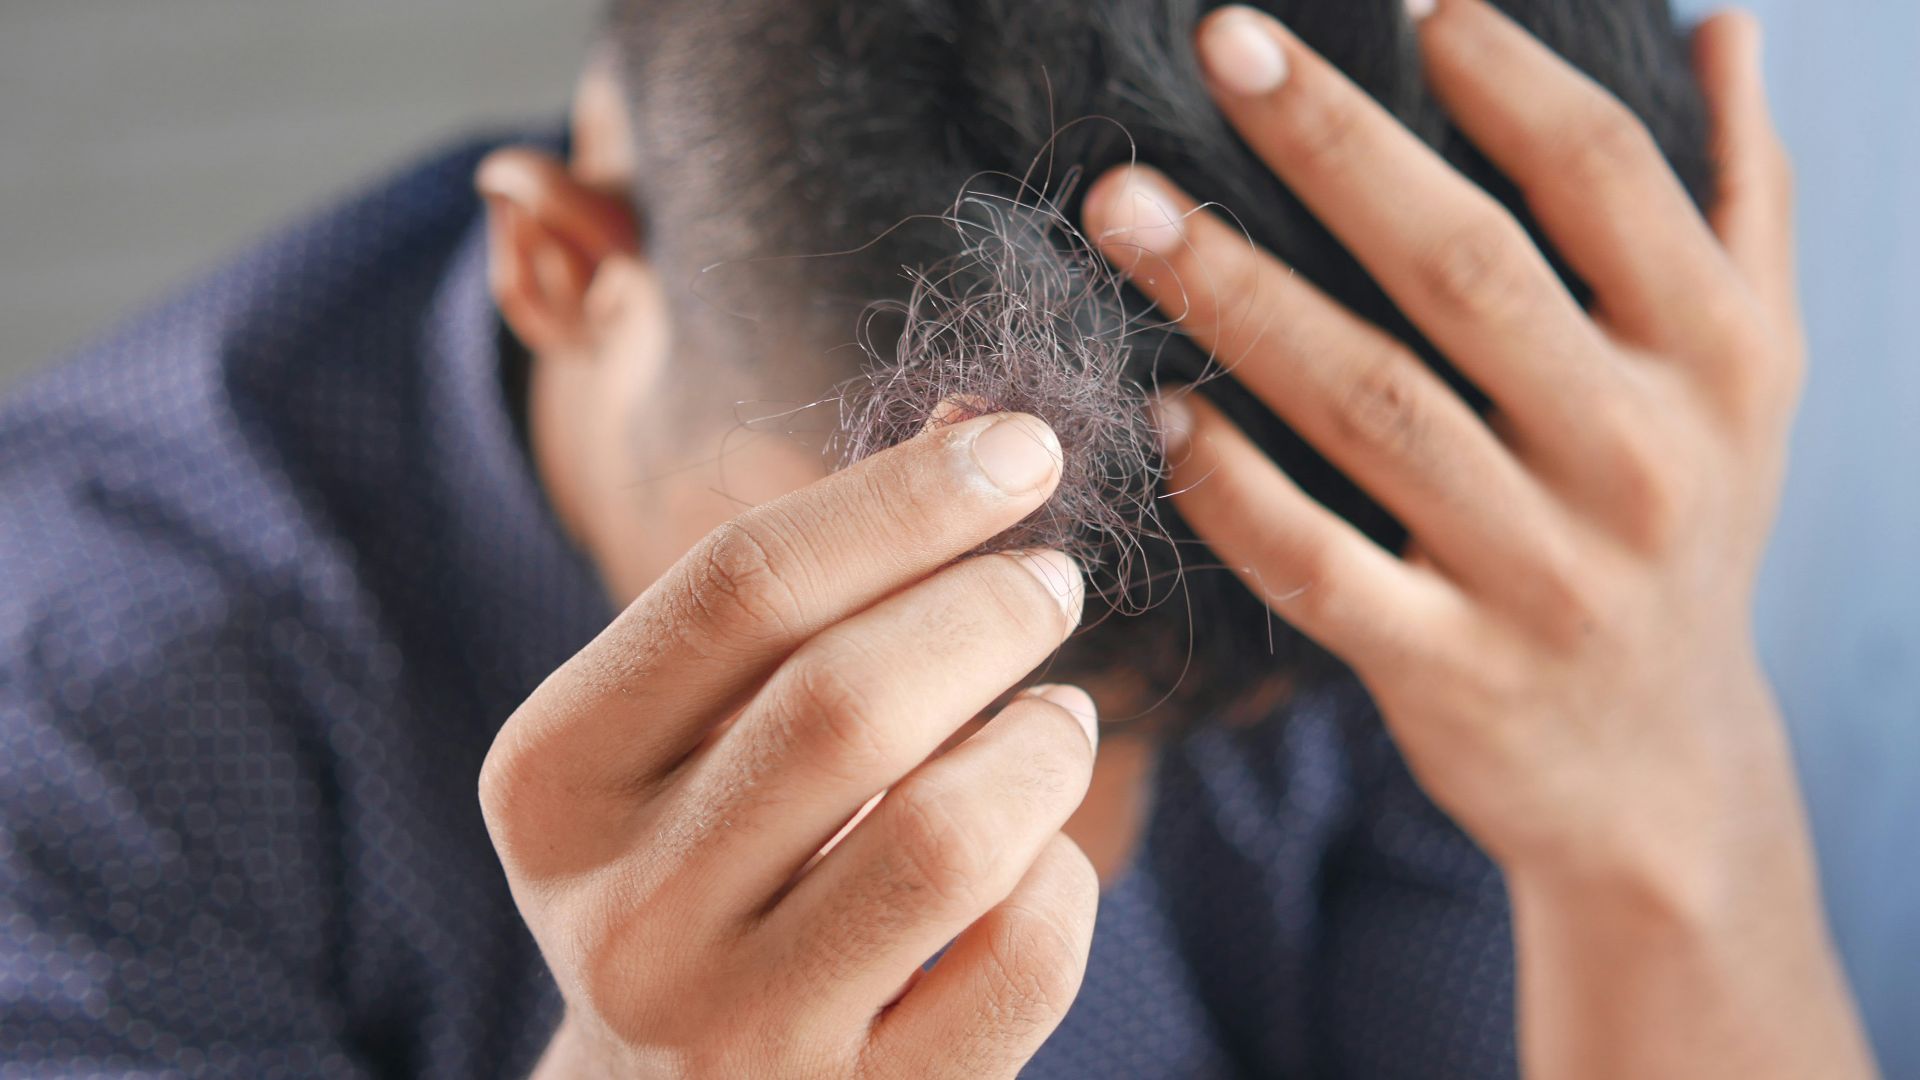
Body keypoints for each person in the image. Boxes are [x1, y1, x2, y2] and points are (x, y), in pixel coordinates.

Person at [0, 0, 1877, 1077]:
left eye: (1167, 719)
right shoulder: (72, 740)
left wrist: (1668, 809)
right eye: (915, 618)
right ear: (565, 265)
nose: (1044, 868)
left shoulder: (1397, 515)